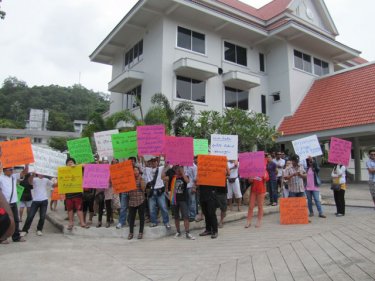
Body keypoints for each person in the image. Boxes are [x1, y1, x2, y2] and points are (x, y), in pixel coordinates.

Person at [0, 165, 29, 242]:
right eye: (10, 169)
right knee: (4, 220)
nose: (12, 171)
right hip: (3, 205)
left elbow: (25, 172)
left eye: (12, 169)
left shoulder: (14, 176)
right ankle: (2, 237)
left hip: (13, 203)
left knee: (16, 220)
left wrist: (27, 164)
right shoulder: (1, 178)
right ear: (5, 170)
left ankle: (16, 237)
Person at [141, 157, 171, 229]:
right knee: (152, 209)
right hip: (151, 192)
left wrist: (164, 155)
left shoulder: (160, 168)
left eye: (155, 161)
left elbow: (168, 165)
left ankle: (166, 222)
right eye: (152, 162)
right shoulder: (147, 169)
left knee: (163, 207)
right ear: (150, 163)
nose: (153, 163)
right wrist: (141, 156)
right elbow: (142, 164)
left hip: (160, 191)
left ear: (157, 162)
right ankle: (154, 222)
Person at [171, 166, 195, 240]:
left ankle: (187, 232)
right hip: (175, 199)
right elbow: (164, 178)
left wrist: (183, 173)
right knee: (176, 217)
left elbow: (187, 181)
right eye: (177, 169)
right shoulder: (174, 177)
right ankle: (178, 232)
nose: (178, 170)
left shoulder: (185, 176)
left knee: (185, 216)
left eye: (179, 168)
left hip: (183, 199)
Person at [65, 158, 89, 230]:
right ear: (66, 164)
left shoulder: (78, 168)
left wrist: (76, 166)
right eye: (68, 162)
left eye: (71, 162)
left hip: (77, 194)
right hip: (68, 194)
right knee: (70, 209)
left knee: (79, 209)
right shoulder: (64, 170)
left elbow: (85, 165)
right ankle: (71, 223)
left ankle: (82, 223)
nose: (70, 163)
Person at [128, 166, 146, 240]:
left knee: (142, 217)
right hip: (132, 201)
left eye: (136, 170)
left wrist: (141, 180)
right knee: (131, 218)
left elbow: (143, 189)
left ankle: (140, 232)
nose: (135, 172)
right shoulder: (130, 179)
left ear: (139, 171)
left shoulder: (142, 178)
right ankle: (131, 232)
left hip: (140, 200)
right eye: (134, 170)